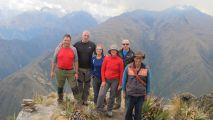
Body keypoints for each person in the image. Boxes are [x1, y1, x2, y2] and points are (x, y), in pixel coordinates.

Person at [96, 44, 124, 117]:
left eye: (114, 50)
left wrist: (120, 84)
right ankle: (98, 109)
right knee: (101, 94)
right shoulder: (106, 58)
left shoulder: (120, 60)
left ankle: (109, 110)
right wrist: (103, 80)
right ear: (110, 51)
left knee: (112, 95)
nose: (113, 51)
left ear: (116, 51)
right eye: (112, 50)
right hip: (106, 79)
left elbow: (121, 73)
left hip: (115, 80)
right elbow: (102, 70)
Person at [50, 34, 79, 104]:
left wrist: (76, 72)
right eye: (65, 40)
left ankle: (77, 101)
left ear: (70, 41)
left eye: (68, 40)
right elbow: (54, 60)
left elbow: (76, 61)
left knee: (74, 86)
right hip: (60, 71)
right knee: (60, 86)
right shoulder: (58, 49)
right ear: (62, 40)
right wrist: (52, 71)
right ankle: (60, 100)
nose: (66, 42)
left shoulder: (73, 49)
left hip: (71, 71)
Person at [122, 51, 151, 120]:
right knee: (128, 113)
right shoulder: (128, 67)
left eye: (140, 58)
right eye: (136, 58)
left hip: (140, 95)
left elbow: (149, 82)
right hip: (130, 94)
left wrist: (147, 94)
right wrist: (123, 91)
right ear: (134, 58)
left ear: (142, 59)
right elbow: (124, 80)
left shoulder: (146, 68)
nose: (138, 60)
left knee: (138, 113)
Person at [74, 31, 96, 105]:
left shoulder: (92, 45)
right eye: (84, 35)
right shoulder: (77, 44)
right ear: (82, 36)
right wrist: (62, 46)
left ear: (89, 37)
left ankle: (85, 99)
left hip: (89, 68)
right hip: (79, 68)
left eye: (87, 35)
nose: (86, 37)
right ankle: (80, 99)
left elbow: (98, 53)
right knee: (80, 84)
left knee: (87, 84)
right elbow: (71, 51)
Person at [114, 39, 135, 109]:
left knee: (127, 90)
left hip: (128, 75)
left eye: (127, 44)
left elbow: (134, 65)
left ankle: (126, 106)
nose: (125, 45)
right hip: (118, 74)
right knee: (118, 89)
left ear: (129, 45)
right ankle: (118, 103)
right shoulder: (118, 53)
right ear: (122, 45)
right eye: (124, 44)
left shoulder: (132, 54)